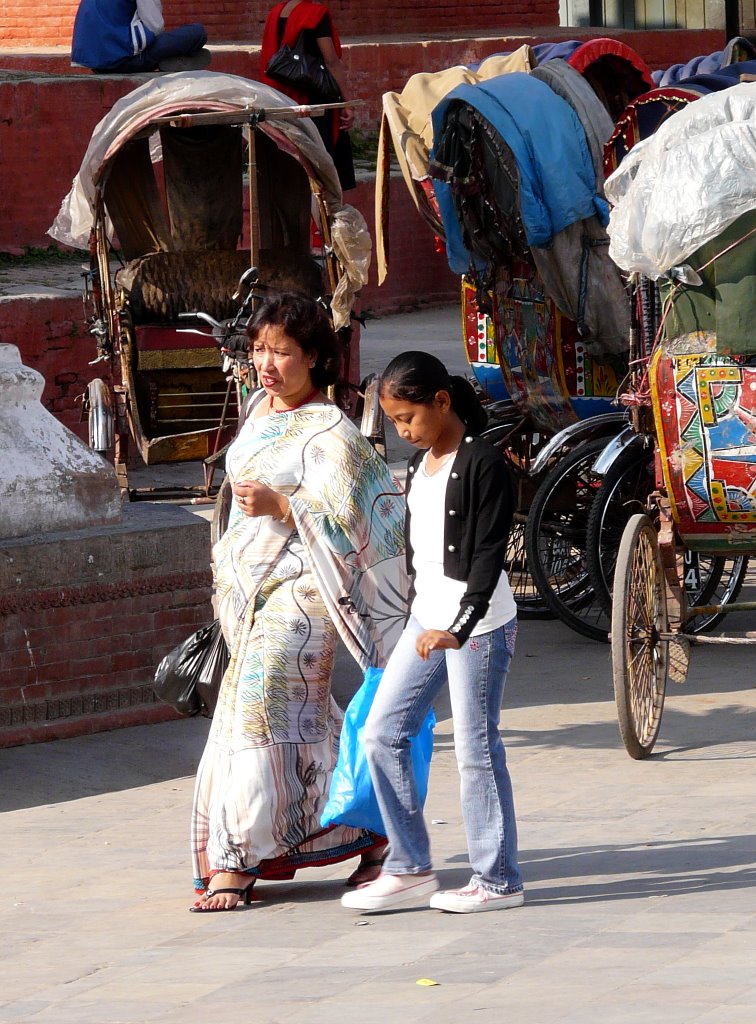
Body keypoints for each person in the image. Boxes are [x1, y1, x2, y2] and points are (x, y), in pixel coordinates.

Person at [190, 293, 407, 912]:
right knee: (301, 723)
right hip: (250, 595)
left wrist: (287, 507)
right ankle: (371, 828)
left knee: (260, 711)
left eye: (281, 350)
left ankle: (237, 862)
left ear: (314, 357)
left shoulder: (332, 431)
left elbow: (368, 518)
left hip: (307, 592)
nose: (266, 361)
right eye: (259, 348)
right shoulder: (258, 412)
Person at [341, 351, 524, 914]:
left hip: (479, 626)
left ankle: (498, 881)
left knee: (476, 748)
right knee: (382, 732)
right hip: (428, 621)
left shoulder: (485, 465)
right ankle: (409, 867)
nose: (402, 432)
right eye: (394, 422)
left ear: (441, 401)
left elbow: (490, 559)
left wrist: (459, 627)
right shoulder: (421, 465)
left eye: (408, 419)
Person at [260, 1, 356, 191]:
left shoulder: (276, 12)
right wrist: (347, 102)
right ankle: (322, 216)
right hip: (313, 97)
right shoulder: (315, 13)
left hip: (280, 98)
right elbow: (331, 61)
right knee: (322, 165)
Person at [71, 0, 210, 74]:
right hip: (123, 62)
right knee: (197, 33)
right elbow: (155, 26)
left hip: (96, 64)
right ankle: (173, 58)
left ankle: (172, 59)